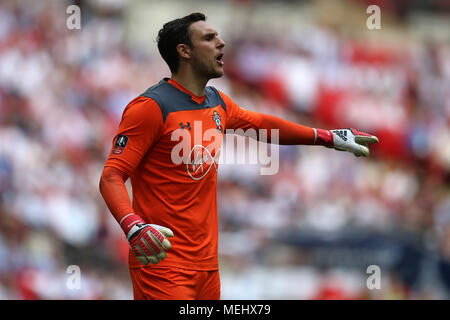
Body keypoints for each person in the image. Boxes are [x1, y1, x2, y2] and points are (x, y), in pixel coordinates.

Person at [99, 12, 378, 300]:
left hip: (206, 266)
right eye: (209, 38)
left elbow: (262, 125)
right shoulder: (151, 107)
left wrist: (328, 137)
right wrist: (133, 226)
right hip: (162, 262)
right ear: (184, 52)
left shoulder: (216, 101)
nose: (221, 42)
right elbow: (111, 176)